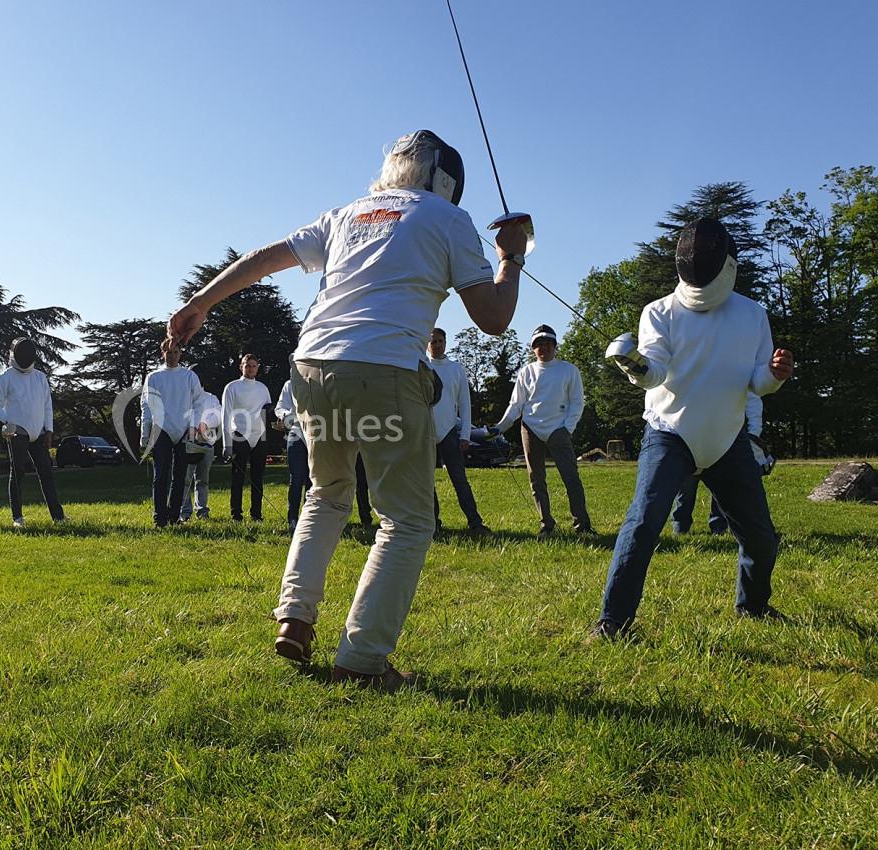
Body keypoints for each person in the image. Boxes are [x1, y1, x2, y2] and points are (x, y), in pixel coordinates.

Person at [168, 129, 523, 690]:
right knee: (406, 519)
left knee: (326, 494)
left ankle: (295, 618)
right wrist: (511, 259)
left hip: (310, 365)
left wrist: (198, 304)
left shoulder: (347, 213)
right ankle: (362, 658)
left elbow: (265, 259)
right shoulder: (449, 219)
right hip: (384, 370)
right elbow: (495, 318)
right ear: (447, 181)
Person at [596, 218, 794, 639]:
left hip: (727, 438)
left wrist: (776, 374)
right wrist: (636, 367)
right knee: (643, 524)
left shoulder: (752, 314)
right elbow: (656, 372)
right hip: (670, 434)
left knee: (760, 537)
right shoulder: (659, 312)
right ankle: (613, 622)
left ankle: (753, 607)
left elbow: (757, 382)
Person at [493, 324, 592, 536]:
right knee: (536, 479)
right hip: (531, 429)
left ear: (555, 346)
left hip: (559, 430)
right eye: (539, 344)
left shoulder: (568, 370)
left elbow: (577, 403)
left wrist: (567, 428)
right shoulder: (526, 372)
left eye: (548, 344)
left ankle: (582, 525)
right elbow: (516, 405)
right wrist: (500, 427)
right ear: (533, 348)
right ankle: (546, 525)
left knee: (571, 478)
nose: (543, 348)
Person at [0, 338, 65, 529]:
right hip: (17, 433)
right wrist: (9, 421)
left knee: (46, 473)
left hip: (38, 432)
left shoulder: (40, 377)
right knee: (17, 473)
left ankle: (58, 516)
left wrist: (49, 430)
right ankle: (17, 517)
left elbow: (47, 405)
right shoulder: (6, 377)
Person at [427, 327, 490, 535]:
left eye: (440, 341)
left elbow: (464, 403)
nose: (436, 345)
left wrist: (464, 435)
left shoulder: (456, 369)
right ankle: (433, 523)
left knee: (459, 480)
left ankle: (475, 522)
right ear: (427, 344)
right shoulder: (420, 365)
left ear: (446, 343)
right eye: (433, 341)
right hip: (424, 433)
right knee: (427, 482)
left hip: (449, 433)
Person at [673, 391, 763, 535]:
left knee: (722, 487)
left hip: (723, 439)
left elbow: (752, 400)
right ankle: (680, 528)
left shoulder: (737, 371)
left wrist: (753, 434)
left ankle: (718, 527)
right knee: (685, 489)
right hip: (689, 437)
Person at [141, 340, 205, 527]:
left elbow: (199, 402)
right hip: (161, 429)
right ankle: (159, 518)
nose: (172, 356)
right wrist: (145, 434)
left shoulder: (189, 376)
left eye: (176, 352)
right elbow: (146, 405)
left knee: (180, 476)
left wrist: (193, 426)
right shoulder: (154, 377)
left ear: (180, 353)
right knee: (161, 474)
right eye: (169, 352)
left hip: (184, 429)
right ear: (162, 353)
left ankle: (174, 516)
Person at [221, 354, 272, 521]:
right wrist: (226, 444)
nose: (250, 368)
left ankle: (256, 514)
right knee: (238, 477)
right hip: (239, 435)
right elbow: (226, 416)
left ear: (258, 368)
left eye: (253, 365)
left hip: (259, 436)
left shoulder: (263, 388)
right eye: (247, 365)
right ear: (241, 367)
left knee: (258, 477)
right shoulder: (232, 387)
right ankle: (236, 515)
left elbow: (267, 413)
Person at [181, 390, 221, 521]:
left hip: (206, 442)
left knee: (202, 479)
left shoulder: (211, 397)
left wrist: (204, 424)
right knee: (185, 480)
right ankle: (184, 512)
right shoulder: (183, 396)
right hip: (187, 442)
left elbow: (218, 414)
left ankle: (202, 510)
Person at [275, 378, 309, 534]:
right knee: (296, 479)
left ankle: (309, 520)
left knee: (312, 480)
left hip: (317, 434)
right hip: (296, 433)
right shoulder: (289, 384)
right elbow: (280, 406)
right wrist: (286, 415)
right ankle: (293, 519)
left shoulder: (318, 381)